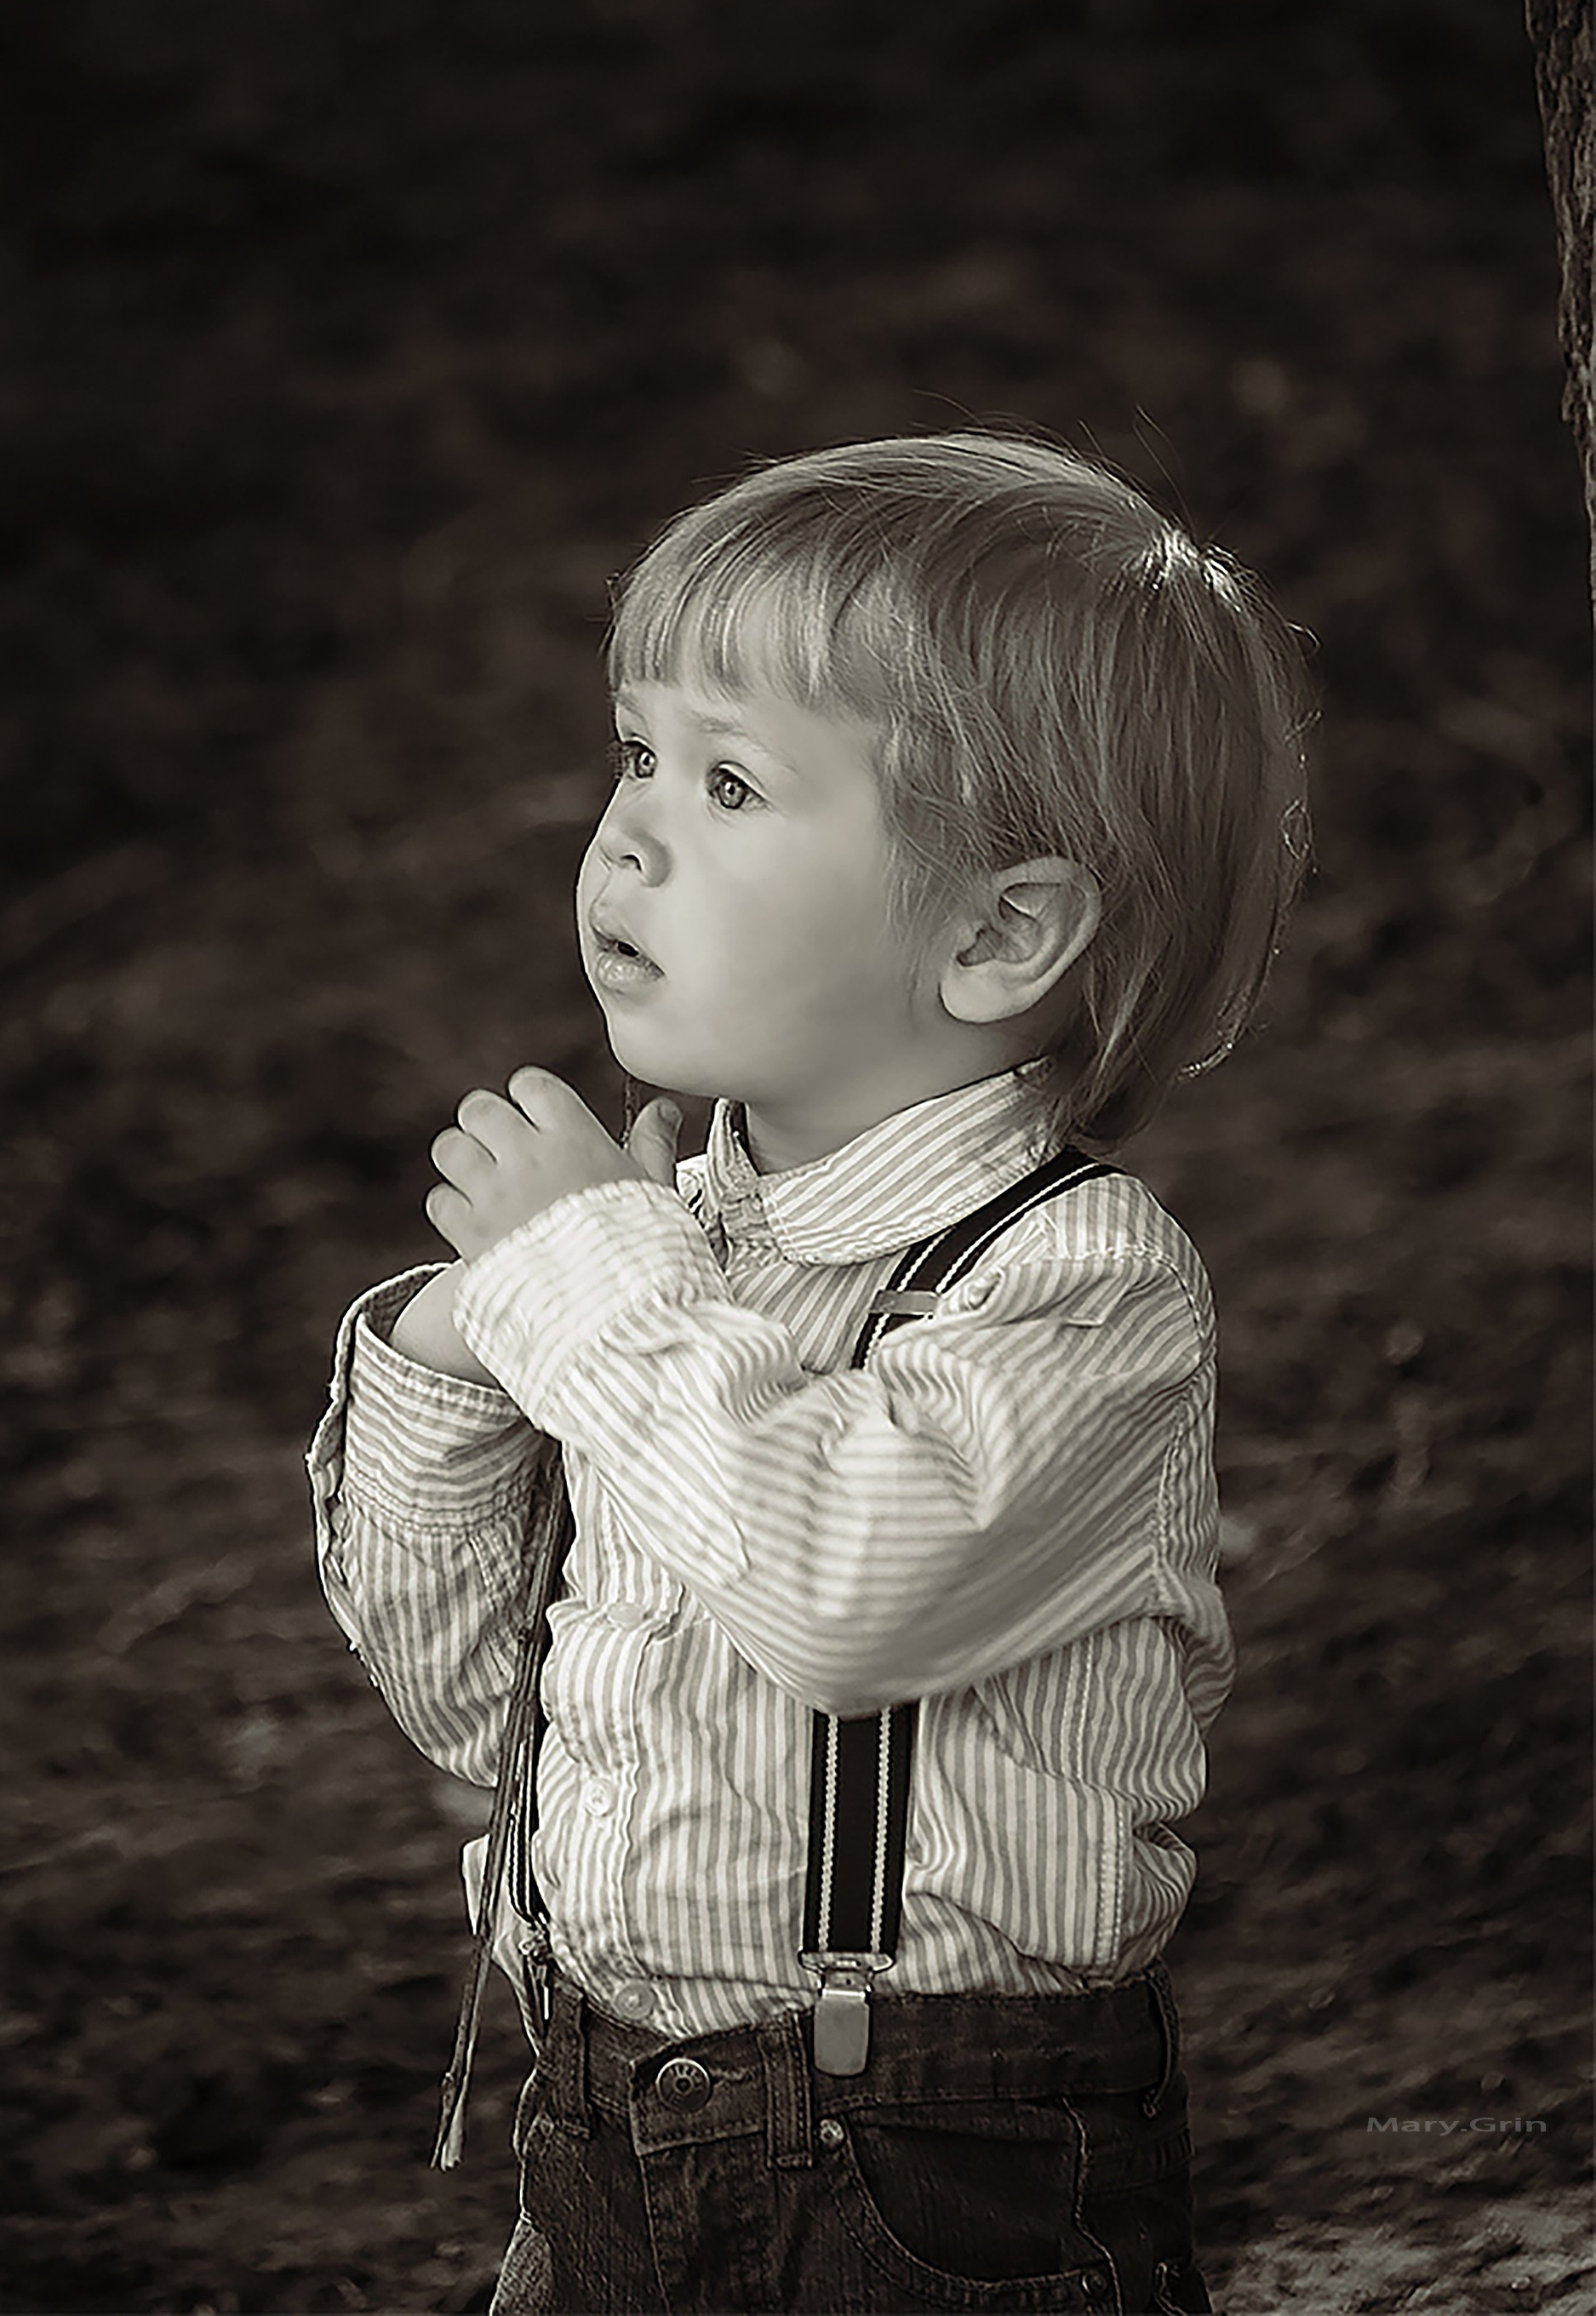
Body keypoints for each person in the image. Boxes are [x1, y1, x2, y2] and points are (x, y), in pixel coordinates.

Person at [307, 432, 1308, 2314]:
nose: (628, 835)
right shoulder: (667, 1259)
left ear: (996, 931)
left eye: (730, 782)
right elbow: (492, 1717)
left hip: (929, 2170)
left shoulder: (1077, 1286)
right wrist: (455, 1367)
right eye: (634, 754)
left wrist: (585, 1282)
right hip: (600, 2126)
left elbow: (849, 1592)